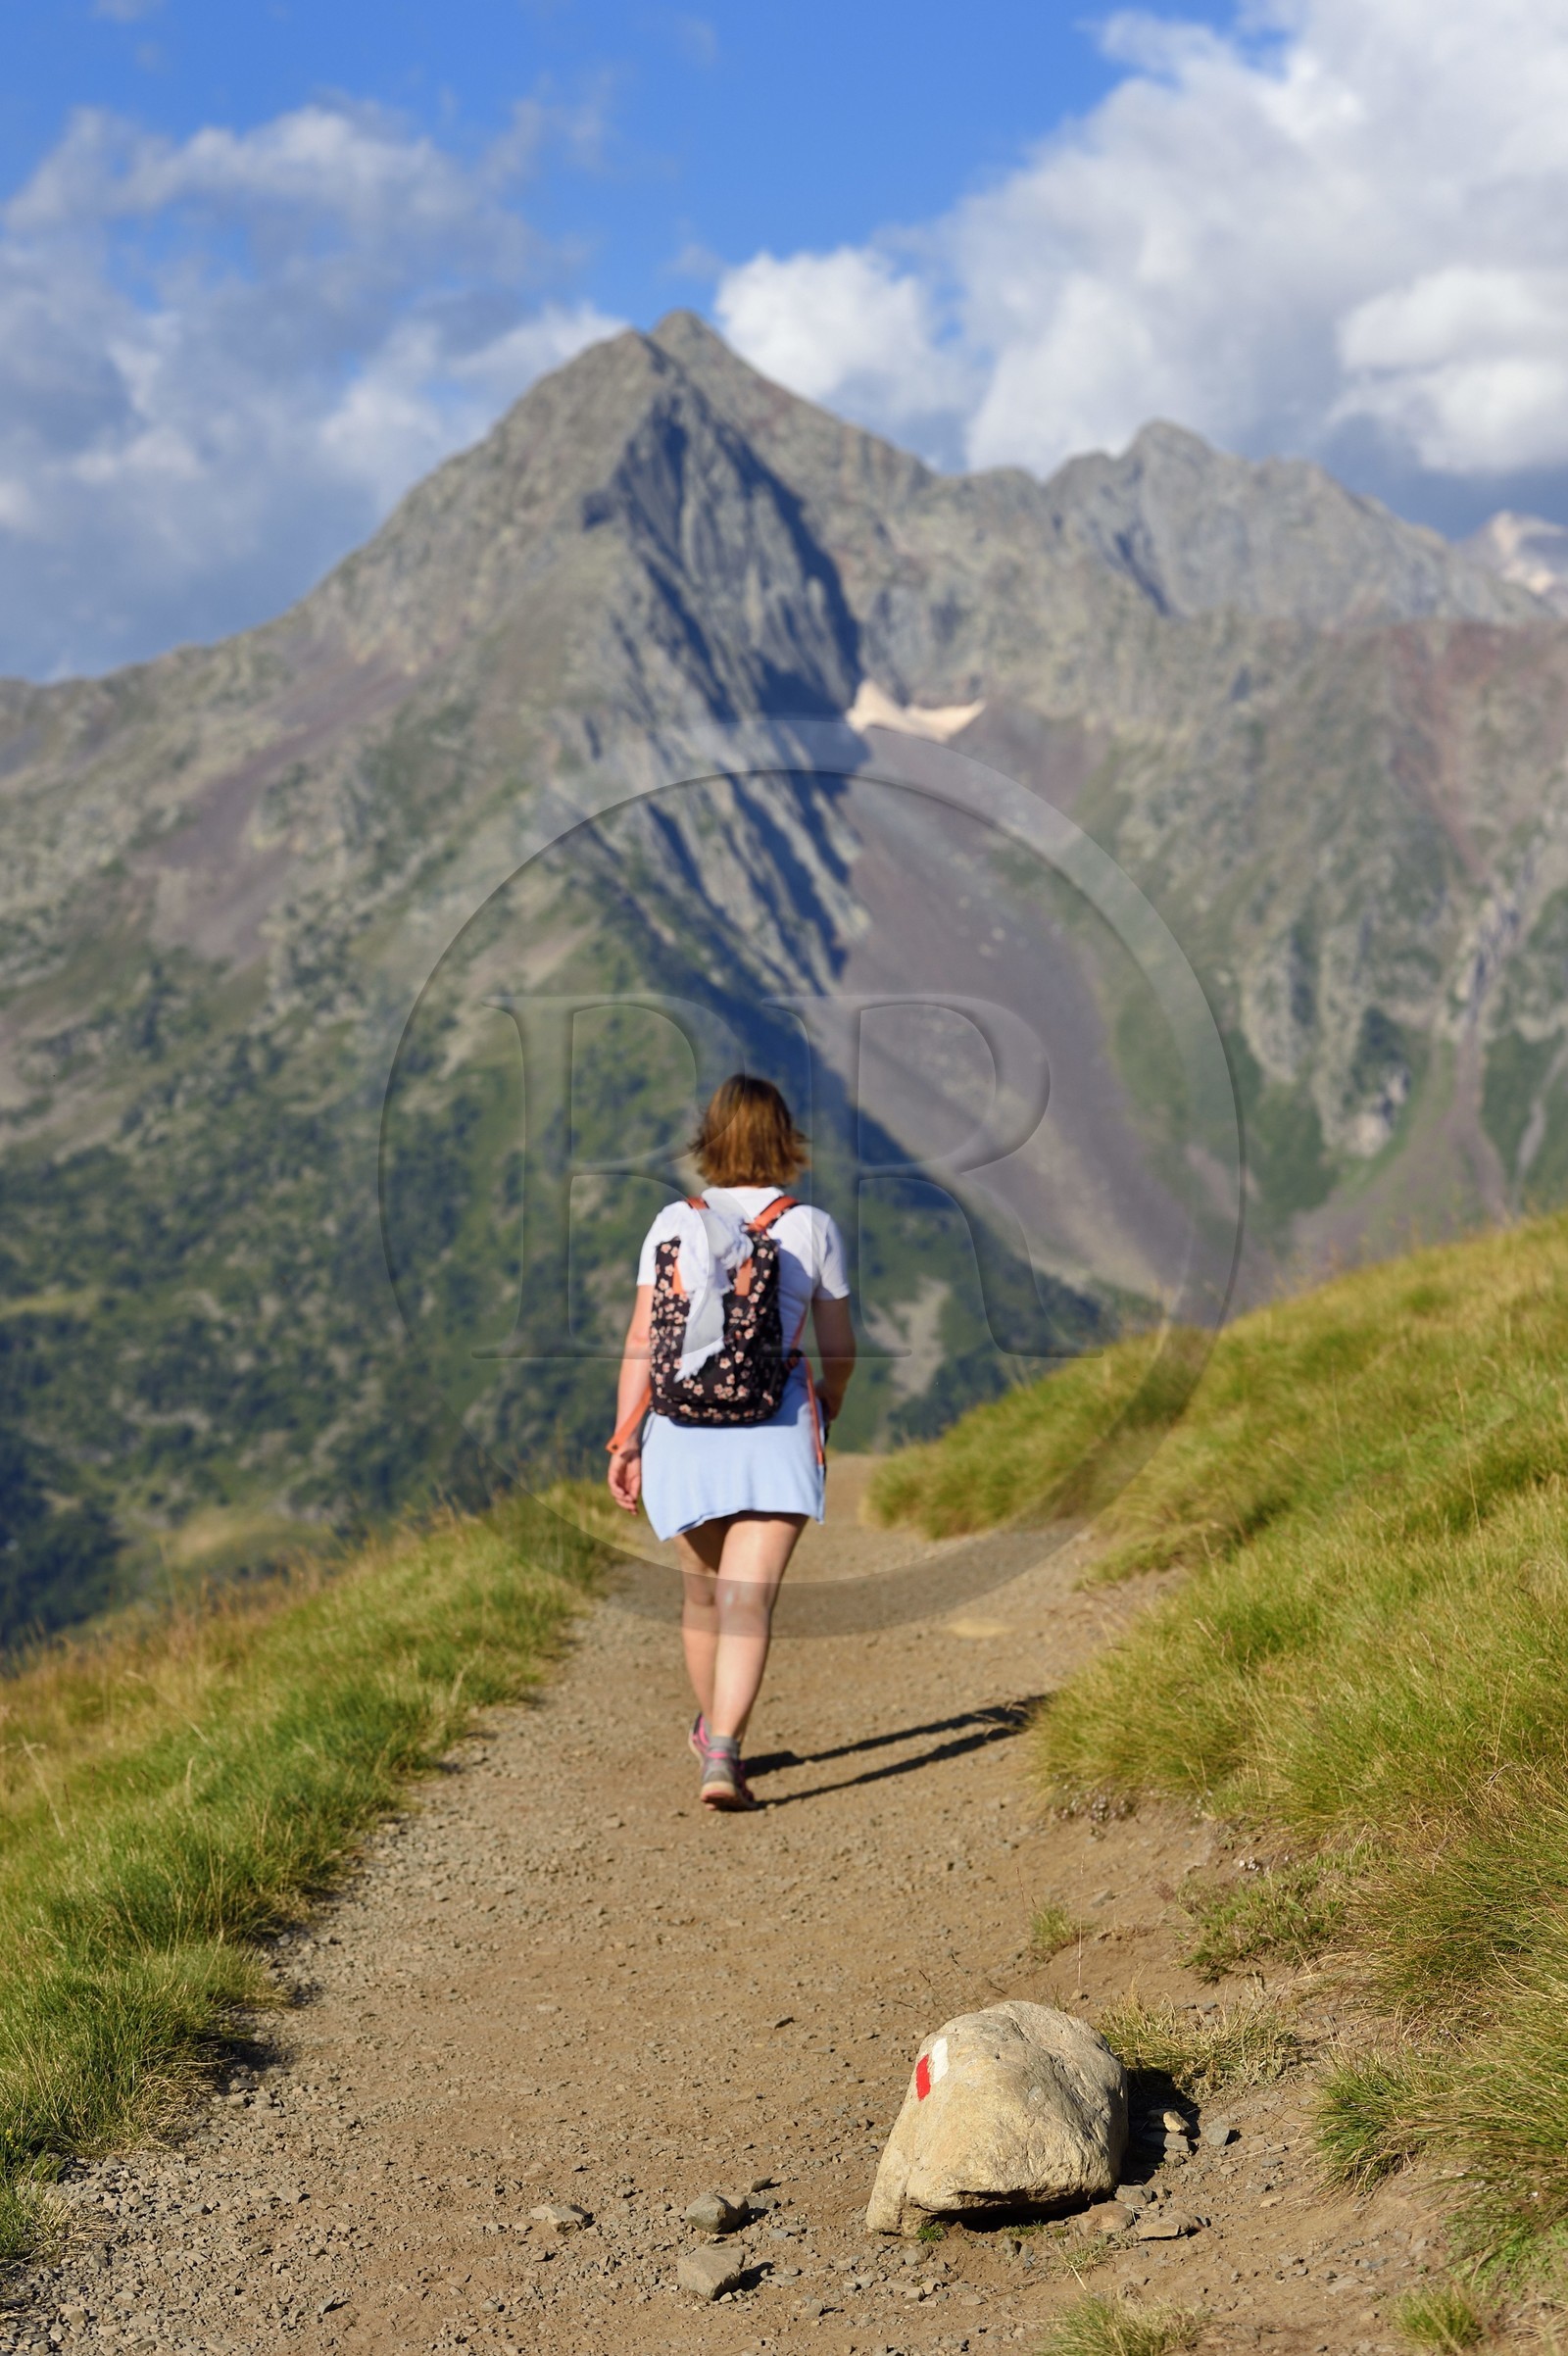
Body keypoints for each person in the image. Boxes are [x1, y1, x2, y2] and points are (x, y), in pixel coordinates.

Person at [607, 1075, 856, 1810]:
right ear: (785, 1141)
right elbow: (839, 1349)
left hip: (683, 1433)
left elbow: (642, 1344)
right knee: (750, 1603)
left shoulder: (671, 1222)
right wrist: (827, 1404)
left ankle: (712, 1727)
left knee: (702, 1600)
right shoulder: (811, 1228)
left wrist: (625, 1442)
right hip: (775, 1432)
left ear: (709, 1142)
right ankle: (723, 1754)